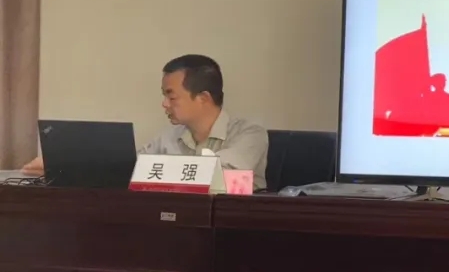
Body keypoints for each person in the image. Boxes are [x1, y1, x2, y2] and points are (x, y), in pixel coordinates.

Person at [21, 54, 268, 189]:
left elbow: (225, 177)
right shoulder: (169, 137)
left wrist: (148, 171)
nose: (164, 104)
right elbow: (129, 167)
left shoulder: (249, 135)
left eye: (171, 96)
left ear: (203, 98)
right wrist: (66, 166)